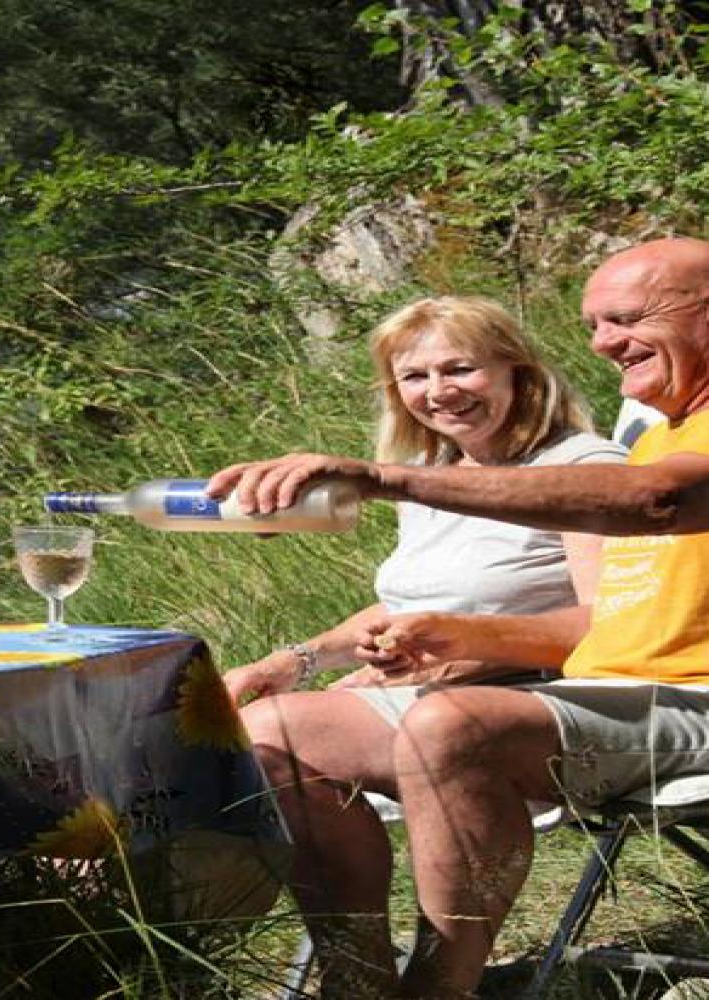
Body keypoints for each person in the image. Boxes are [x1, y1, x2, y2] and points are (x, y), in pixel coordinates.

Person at [207, 236, 709, 999]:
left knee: (453, 724)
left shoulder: (619, 462)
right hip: (607, 694)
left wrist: (383, 480)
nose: (604, 344)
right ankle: (357, 980)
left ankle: (440, 987)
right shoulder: (659, 432)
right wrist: (441, 636)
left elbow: (657, 502)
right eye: (594, 326)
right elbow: (613, 615)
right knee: (276, 731)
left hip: (693, 699)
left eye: (628, 319)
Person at [222, 296, 624, 707]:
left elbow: (614, 622)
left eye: (460, 369)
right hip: (432, 693)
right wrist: (294, 661)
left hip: (526, 694)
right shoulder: (424, 476)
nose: (439, 391)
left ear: (518, 371)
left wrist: (449, 663)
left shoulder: (585, 469)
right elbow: (413, 605)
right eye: (414, 376)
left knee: (276, 727)